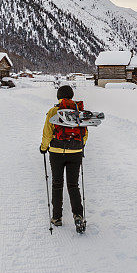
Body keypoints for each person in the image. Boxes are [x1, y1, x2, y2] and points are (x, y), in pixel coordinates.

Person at [40, 85, 87, 228]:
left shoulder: (54, 111)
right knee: (73, 185)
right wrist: (80, 147)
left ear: (58, 96)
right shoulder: (78, 111)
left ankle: (57, 217)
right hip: (75, 152)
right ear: (72, 96)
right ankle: (78, 215)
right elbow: (83, 134)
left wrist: (43, 148)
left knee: (57, 184)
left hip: (56, 152)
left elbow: (47, 133)